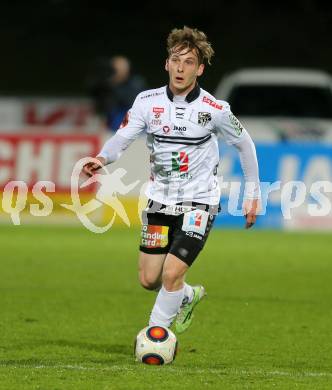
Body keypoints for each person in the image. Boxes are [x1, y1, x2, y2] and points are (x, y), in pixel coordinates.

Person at [83, 26, 261, 334]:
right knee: (149, 279)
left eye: (189, 62)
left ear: (200, 69)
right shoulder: (146, 102)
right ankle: (188, 295)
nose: (180, 68)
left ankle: (156, 336)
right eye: (175, 60)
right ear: (166, 63)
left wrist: (253, 194)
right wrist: (101, 158)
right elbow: (123, 137)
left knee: (171, 274)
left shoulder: (215, 110)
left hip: (199, 202)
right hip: (159, 200)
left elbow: (245, 144)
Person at [87, 55, 146, 131]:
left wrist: (115, 84)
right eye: (116, 67)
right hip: (112, 127)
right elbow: (95, 94)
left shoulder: (136, 83)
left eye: (122, 67)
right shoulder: (106, 84)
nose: (119, 70)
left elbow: (131, 100)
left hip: (133, 127)